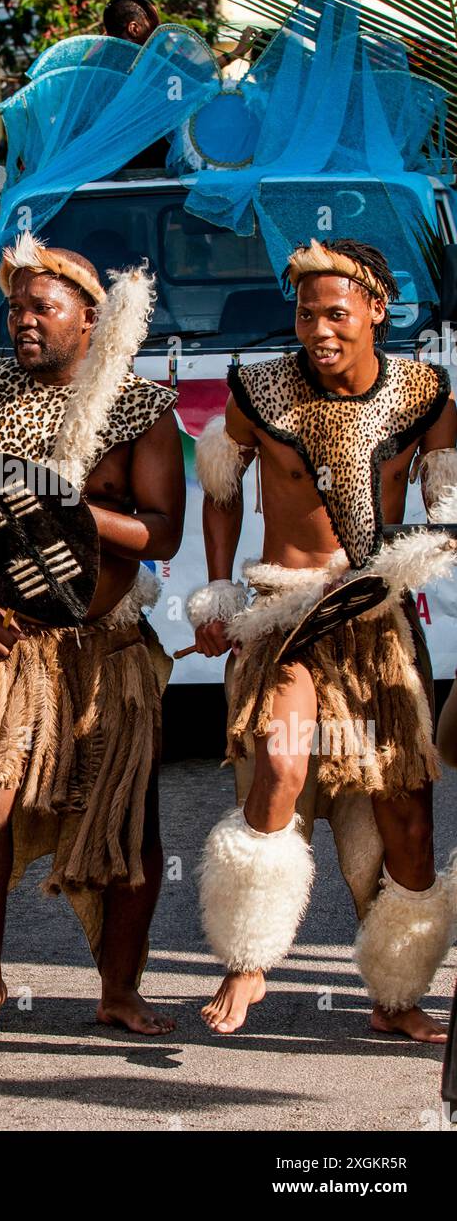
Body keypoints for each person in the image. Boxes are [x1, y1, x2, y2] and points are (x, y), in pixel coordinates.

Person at [0, 231, 185, 1045]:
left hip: (106, 644)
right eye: (14, 306)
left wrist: (62, 507)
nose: (22, 319)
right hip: (4, 637)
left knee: (129, 822)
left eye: (41, 306)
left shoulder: (139, 407)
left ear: (89, 320)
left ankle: (118, 991)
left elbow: (161, 534)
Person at [189, 237, 457, 1042]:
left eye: (335, 313)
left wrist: (408, 557)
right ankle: (246, 960)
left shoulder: (425, 396)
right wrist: (219, 590)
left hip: (376, 623)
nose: (318, 329)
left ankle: (397, 994)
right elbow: (219, 487)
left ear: (376, 310)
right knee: (277, 763)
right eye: (305, 314)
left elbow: (443, 514)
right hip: (285, 617)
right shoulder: (258, 391)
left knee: (405, 814)